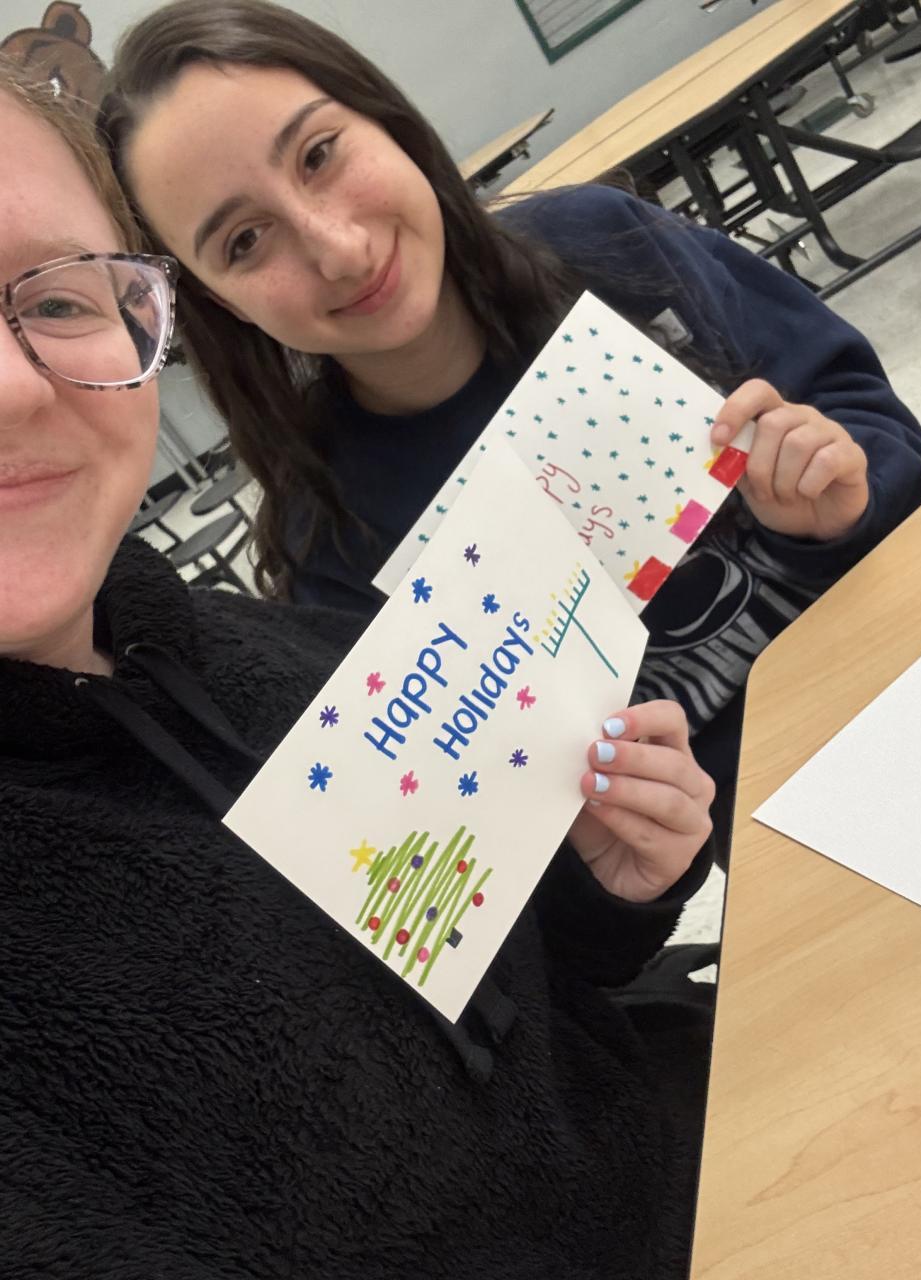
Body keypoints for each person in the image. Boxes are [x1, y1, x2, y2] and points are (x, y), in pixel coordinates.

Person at [0, 58, 721, 1279]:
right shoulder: (321, 551)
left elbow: (515, 1004)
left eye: (55, 298)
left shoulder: (275, 651)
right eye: (241, 239)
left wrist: (607, 885)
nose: (12, 389)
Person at [98, 0, 921, 853]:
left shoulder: (608, 246)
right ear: (220, 304)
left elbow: (869, 418)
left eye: (319, 154)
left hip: (918, 647)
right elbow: (506, 843)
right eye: (243, 241)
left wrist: (845, 496)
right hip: (779, 843)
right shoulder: (335, 542)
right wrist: (601, 849)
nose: (338, 250)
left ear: (385, 120)